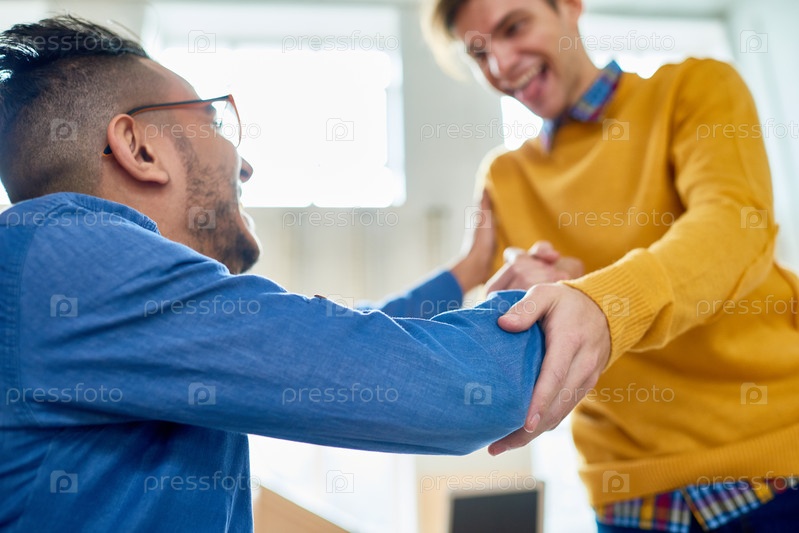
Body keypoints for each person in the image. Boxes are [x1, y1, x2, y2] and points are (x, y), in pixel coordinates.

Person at [0, 15, 569, 531]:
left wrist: (467, 272)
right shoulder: (73, 262)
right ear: (139, 148)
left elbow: (335, 342)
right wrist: (571, 304)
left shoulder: (66, 273)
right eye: (214, 122)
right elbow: (465, 393)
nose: (245, 164)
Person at [425, 0, 799, 531]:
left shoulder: (693, 88)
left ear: (570, 7)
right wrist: (494, 286)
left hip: (775, 466)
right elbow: (515, 337)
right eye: (479, 53)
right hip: (628, 497)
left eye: (514, 26)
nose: (501, 65)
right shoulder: (504, 177)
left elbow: (734, 228)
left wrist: (599, 301)